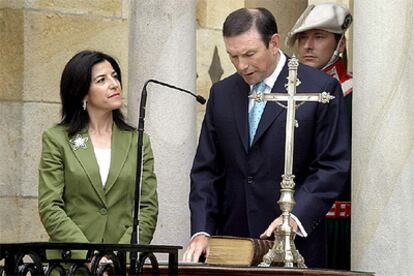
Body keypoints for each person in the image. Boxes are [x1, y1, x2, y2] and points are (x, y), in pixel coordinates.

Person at [183, 7, 350, 268]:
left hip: (296, 247)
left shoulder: (320, 89)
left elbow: (332, 166)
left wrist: (295, 218)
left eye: (249, 54)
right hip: (232, 246)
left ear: (274, 43)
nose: (242, 66)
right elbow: (207, 170)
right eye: (233, 56)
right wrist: (201, 230)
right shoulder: (222, 93)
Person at [38, 50, 158, 259]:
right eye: (101, 80)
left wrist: (116, 260)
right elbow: (50, 207)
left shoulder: (138, 141)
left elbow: (147, 209)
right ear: (82, 93)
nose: (114, 84)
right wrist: (88, 256)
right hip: (70, 265)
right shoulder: (57, 139)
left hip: (120, 266)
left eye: (114, 76)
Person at [286, 3, 353, 269]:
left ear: (341, 45)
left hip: (338, 226)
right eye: (303, 38)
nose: (308, 46)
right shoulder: (285, 95)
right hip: (291, 222)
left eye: (319, 37)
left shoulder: (352, 94)